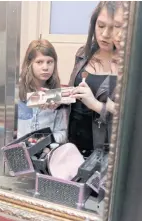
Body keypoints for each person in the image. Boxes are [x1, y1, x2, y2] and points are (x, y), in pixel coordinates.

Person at [68, 1, 122, 157]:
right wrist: (56, 99)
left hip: (107, 150)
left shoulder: (131, 65)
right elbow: (75, 92)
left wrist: (97, 106)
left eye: (113, 27)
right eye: (101, 26)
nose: (105, 34)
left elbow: (131, 115)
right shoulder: (83, 54)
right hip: (73, 143)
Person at [17, 39, 67, 144]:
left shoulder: (56, 95)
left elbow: (63, 134)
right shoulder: (17, 92)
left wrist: (44, 141)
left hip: (46, 154)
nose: (45, 67)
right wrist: (35, 98)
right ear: (29, 64)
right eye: (39, 62)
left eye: (50, 62)